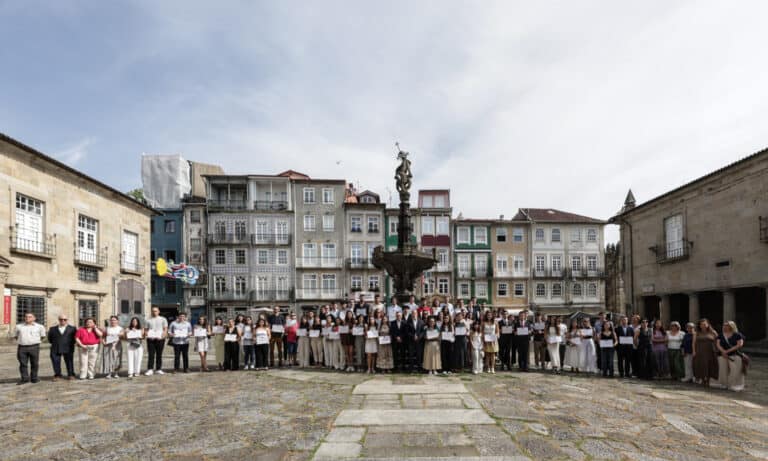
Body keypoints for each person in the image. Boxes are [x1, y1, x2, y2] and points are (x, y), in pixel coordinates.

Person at [15, 312, 46, 384]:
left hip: (34, 347)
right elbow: (16, 336)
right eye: (26, 317)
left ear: (34, 318)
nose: (27, 318)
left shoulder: (40, 326)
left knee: (35, 363)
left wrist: (35, 341)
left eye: (30, 317)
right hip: (22, 347)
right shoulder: (19, 326)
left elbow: (43, 336)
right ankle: (24, 378)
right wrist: (23, 341)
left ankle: (34, 378)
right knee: (23, 363)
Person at [714, 321, 745, 391]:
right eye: (724, 325)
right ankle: (723, 384)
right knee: (722, 370)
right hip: (722, 355)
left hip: (735, 354)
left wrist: (727, 351)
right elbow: (718, 344)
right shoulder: (721, 335)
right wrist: (723, 351)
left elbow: (739, 344)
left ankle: (735, 385)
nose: (725, 327)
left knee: (735, 370)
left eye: (727, 325)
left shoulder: (737, 334)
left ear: (732, 326)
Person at [48, 313, 76, 381]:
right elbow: (50, 339)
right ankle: (58, 375)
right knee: (55, 362)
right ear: (59, 320)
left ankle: (71, 374)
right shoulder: (52, 329)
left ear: (67, 320)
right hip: (55, 347)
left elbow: (74, 339)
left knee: (69, 362)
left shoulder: (72, 328)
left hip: (68, 348)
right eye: (61, 319)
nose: (63, 321)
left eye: (65, 319)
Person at [693, 318, 719, 387]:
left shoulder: (713, 332)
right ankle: (702, 379)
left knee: (709, 365)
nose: (703, 325)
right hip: (700, 351)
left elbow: (718, 341)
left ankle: (708, 380)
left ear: (708, 324)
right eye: (701, 324)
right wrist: (694, 351)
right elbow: (693, 343)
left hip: (710, 351)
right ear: (699, 325)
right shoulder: (696, 332)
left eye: (704, 324)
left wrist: (717, 350)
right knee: (701, 365)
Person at [144, 306, 168, 376]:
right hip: (151, 340)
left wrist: (162, 337)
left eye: (156, 311)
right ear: (151, 312)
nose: (154, 312)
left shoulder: (163, 319)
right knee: (151, 354)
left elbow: (165, 329)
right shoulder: (148, 320)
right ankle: (150, 369)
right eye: (153, 311)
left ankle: (158, 369)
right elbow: (146, 329)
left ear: (159, 311)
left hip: (160, 339)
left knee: (159, 354)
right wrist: (147, 335)